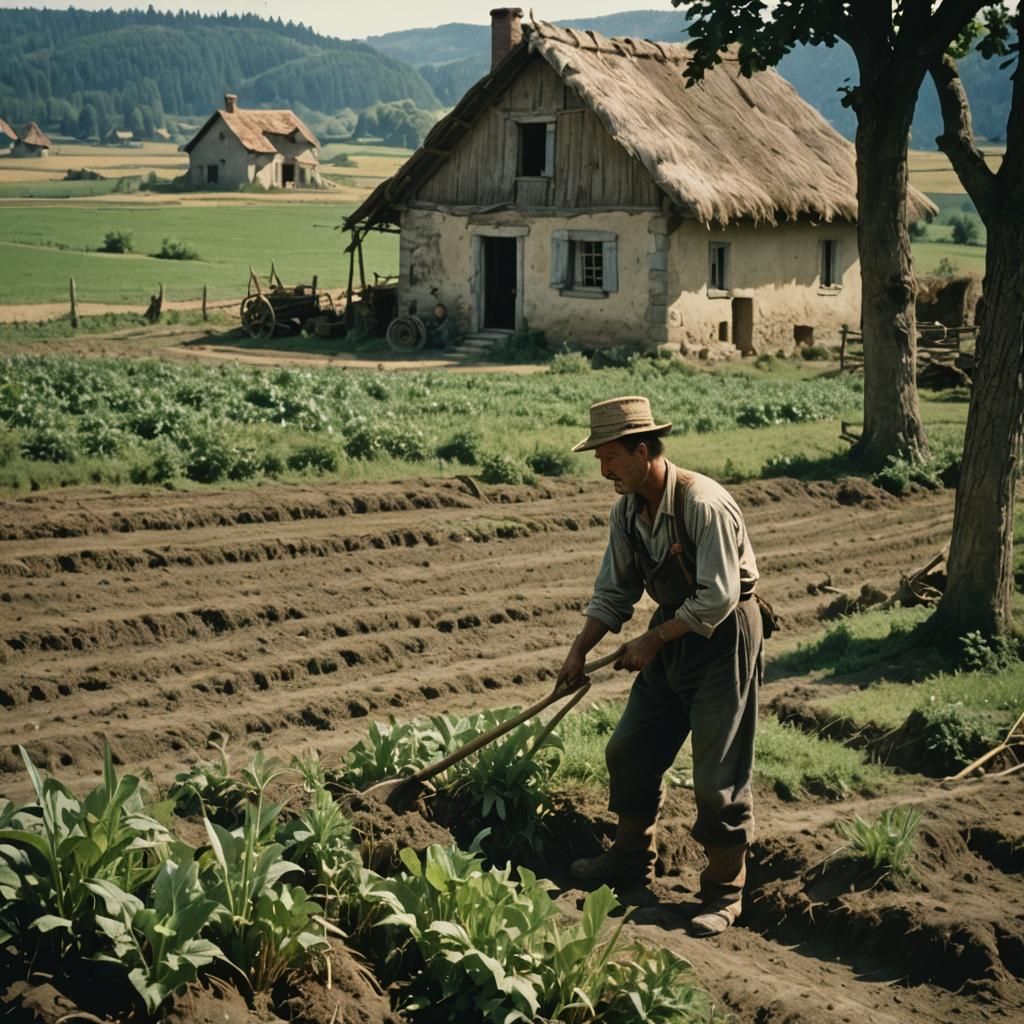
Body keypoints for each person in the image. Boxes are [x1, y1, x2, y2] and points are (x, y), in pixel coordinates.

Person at [556, 395, 763, 937]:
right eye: (599, 460)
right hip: (672, 633)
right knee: (630, 748)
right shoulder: (628, 511)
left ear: (643, 450)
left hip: (724, 638)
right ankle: (629, 859)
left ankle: (724, 893)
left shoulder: (703, 504)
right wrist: (579, 649)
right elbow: (614, 591)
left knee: (717, 776)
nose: (604, 471)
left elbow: (718, 598)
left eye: (611, 459)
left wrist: (654, 639)